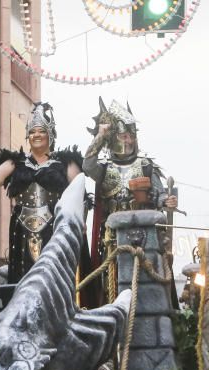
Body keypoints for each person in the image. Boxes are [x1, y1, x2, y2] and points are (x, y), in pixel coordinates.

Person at [0, 102, 83, 284]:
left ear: (50, 134)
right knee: (23, 275)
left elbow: (78, 193)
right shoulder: (16, 162)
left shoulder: (65, 163)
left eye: (41, 131)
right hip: (22, 227)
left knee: (52, 274)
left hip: (54, 226)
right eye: (32, 131)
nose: (36, 135)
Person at [82, 98, 178, 302]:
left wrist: (165, 201)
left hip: (144, 238)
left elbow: (159, 193)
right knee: (113, 288)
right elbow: (87, 165)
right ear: (113, 138)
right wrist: (100, 136)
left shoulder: (145, 165)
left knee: (146, 286)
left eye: (130, 136)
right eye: (122, 136)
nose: (127, 141)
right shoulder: (104, 168)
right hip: (112, 240)